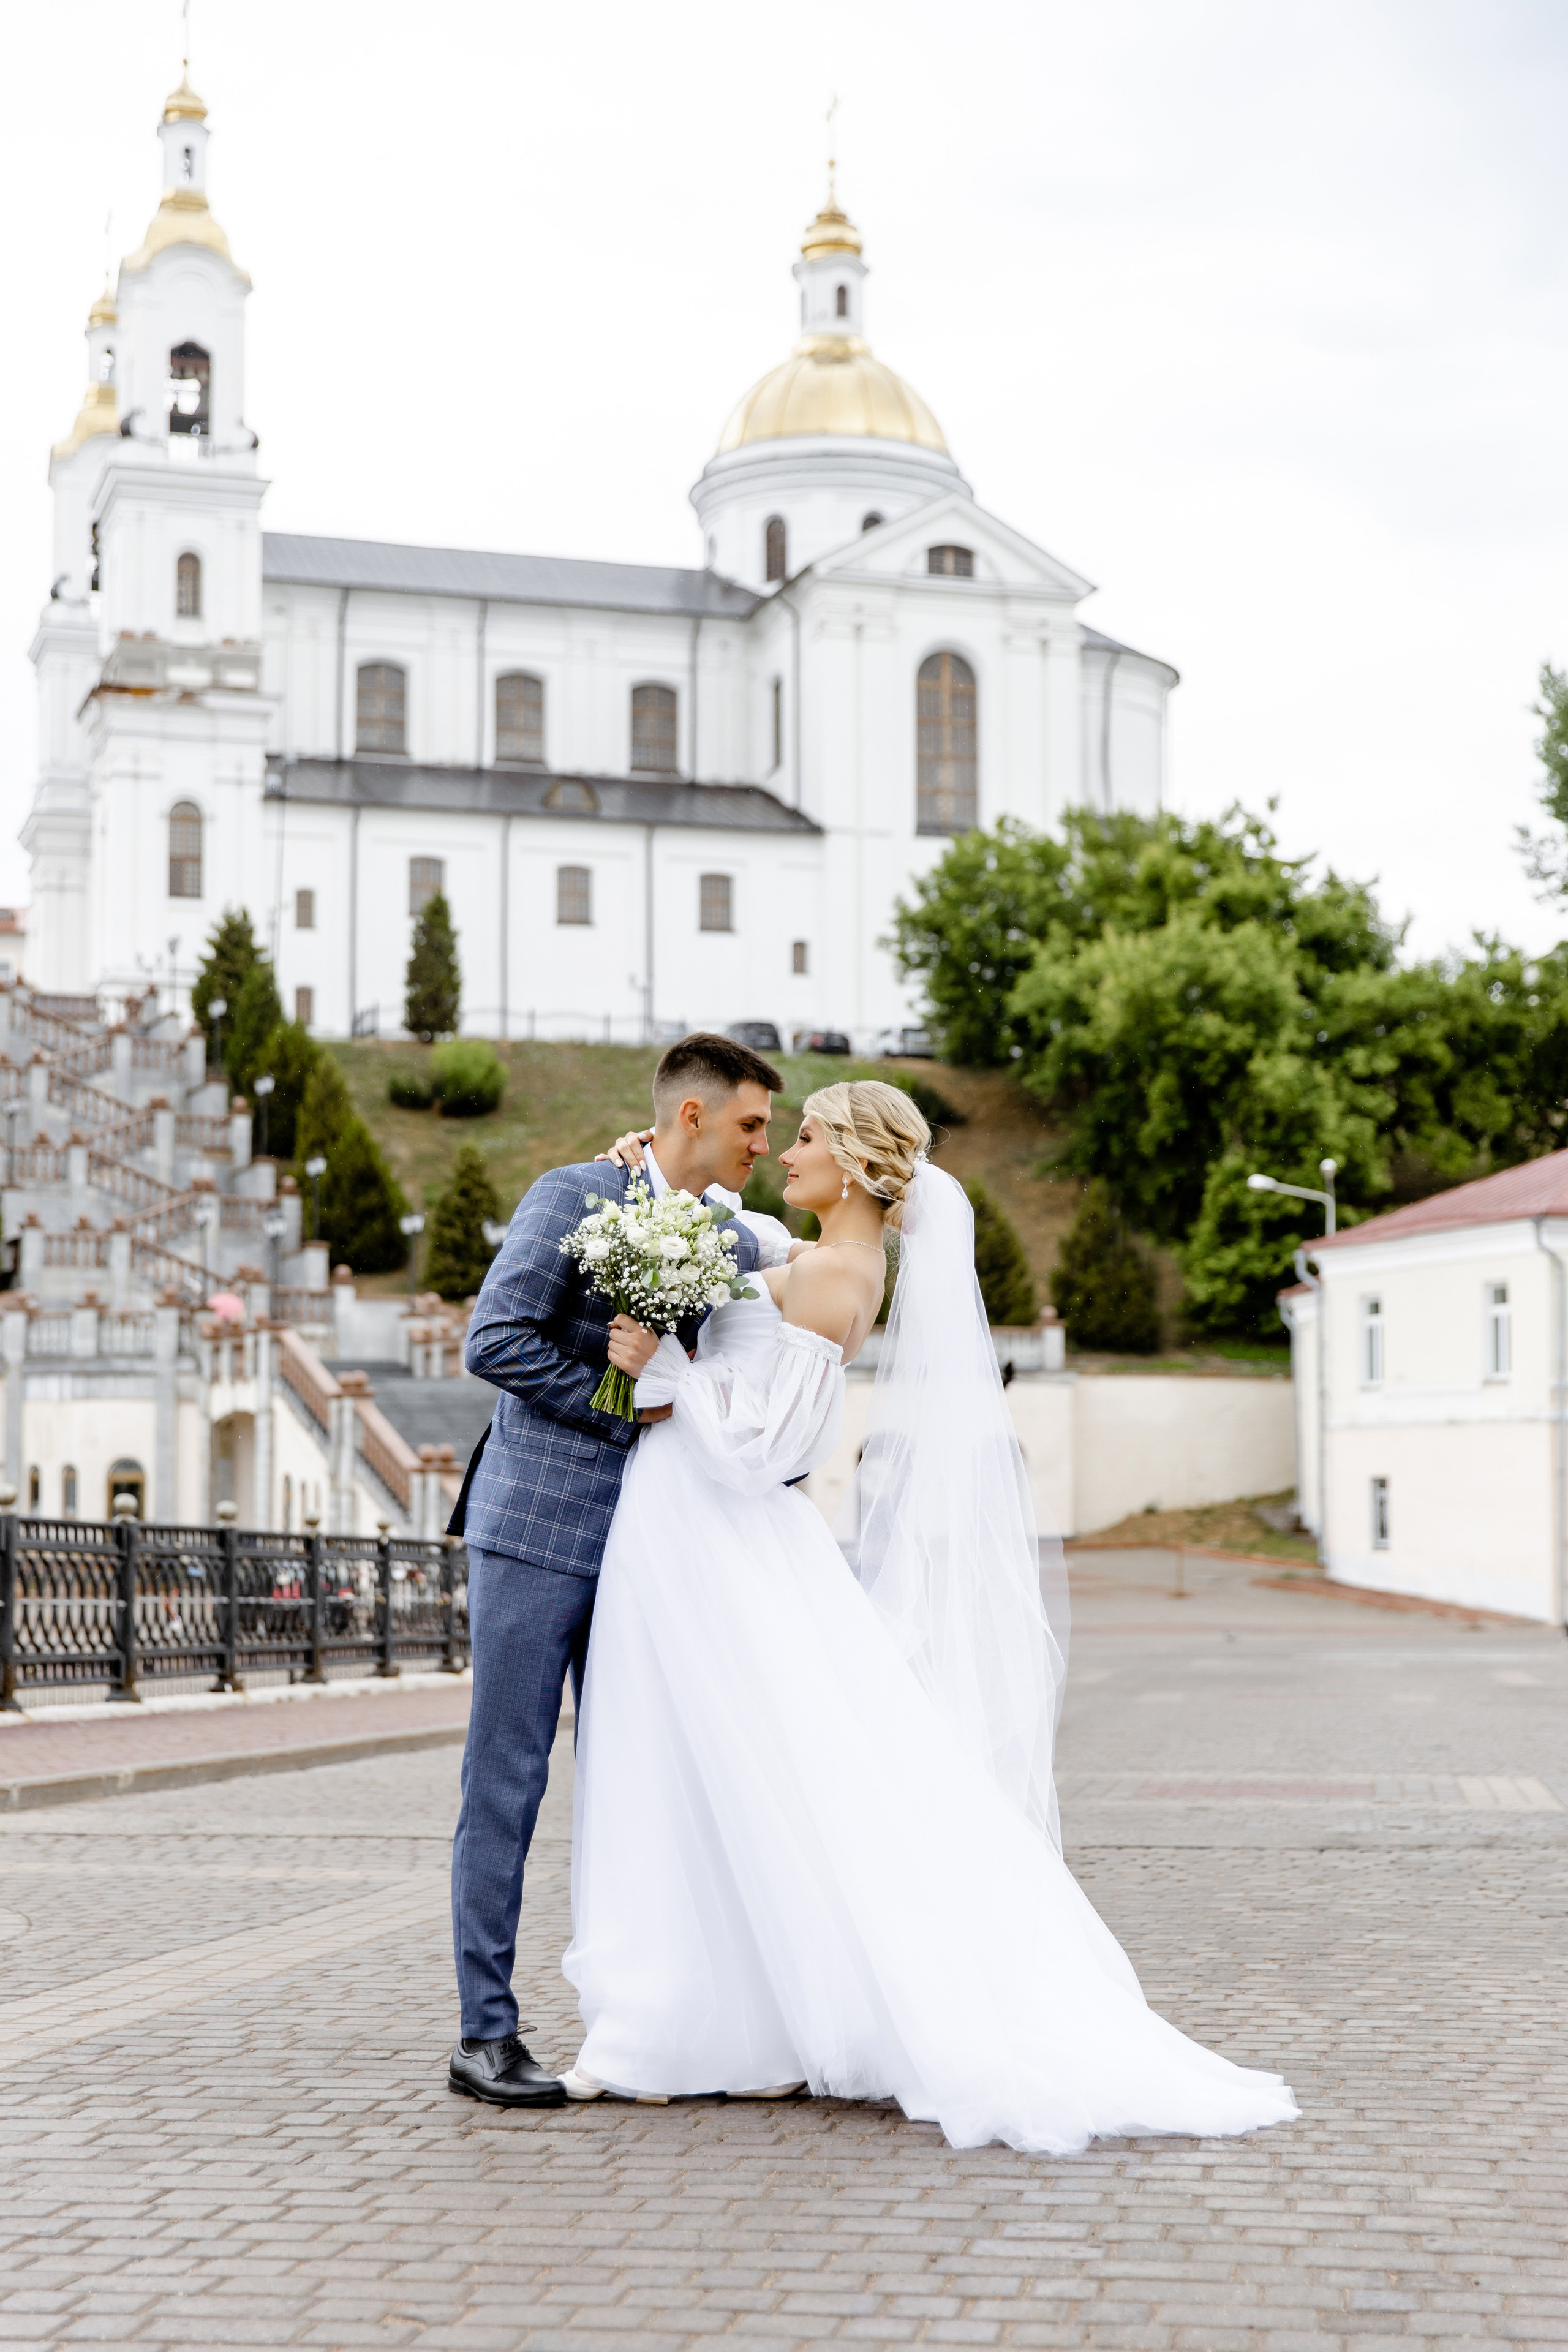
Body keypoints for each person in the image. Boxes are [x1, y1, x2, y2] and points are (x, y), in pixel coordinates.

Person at [556, 1080, 1299, 2152]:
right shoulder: (813, 1258)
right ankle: (710, 2029)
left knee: (685, 1766)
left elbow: (771, 1452)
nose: (784, 1152)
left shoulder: (834, 1275)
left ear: (856, 1163)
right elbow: (734, 1237)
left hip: (710, 1536)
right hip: (683, 1535)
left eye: (804, 1136)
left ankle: (672, 2029)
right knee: (710, 1776)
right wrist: (644, 1177)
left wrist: (660, 1369)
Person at [445, 1031, 782, 2109]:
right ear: (692, 1116)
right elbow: (492, 1338)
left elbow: (803, 1272)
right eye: (750, 1126)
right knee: (507, 1784)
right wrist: (614, 1387)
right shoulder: (574, 1193)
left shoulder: (724, 1232)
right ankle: (484, 2036)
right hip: (535, 1527)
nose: (762, 1148)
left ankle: (649, 2025)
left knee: (643, 1787)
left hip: (648, 1548)